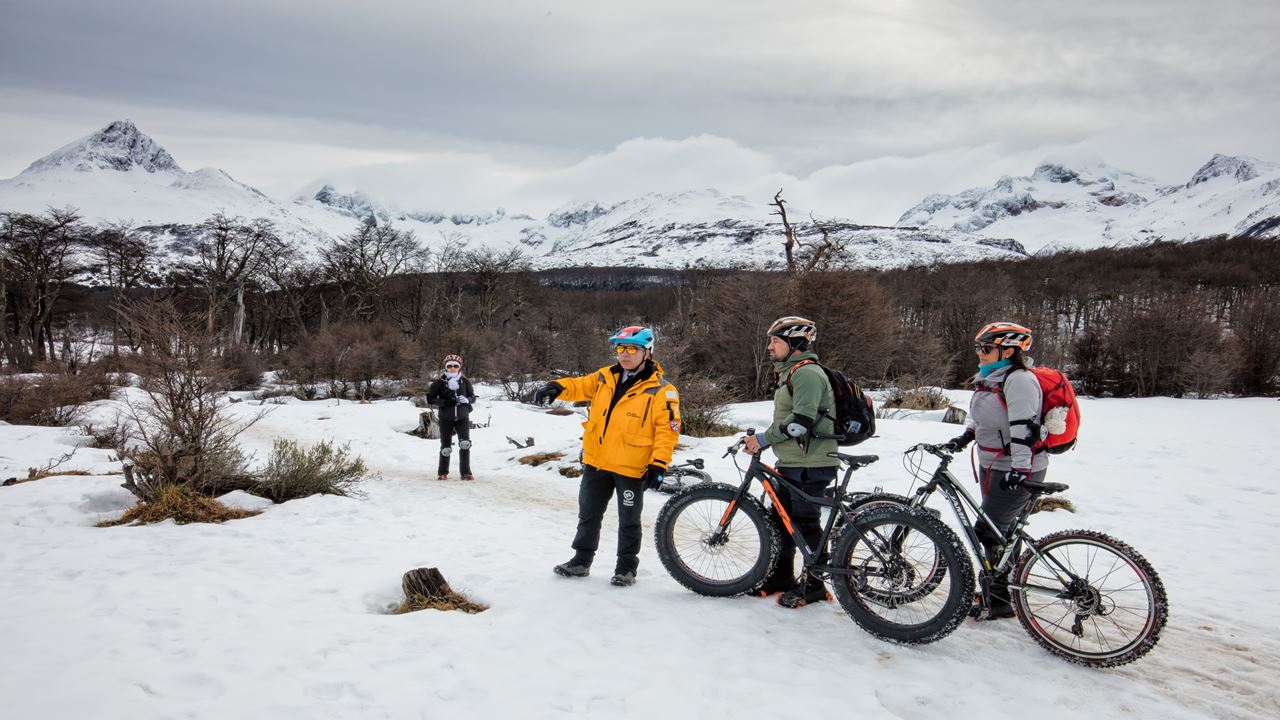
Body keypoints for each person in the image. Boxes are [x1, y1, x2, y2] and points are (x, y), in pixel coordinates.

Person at [532, 326, 681, 587]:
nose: (624, 354)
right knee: (588, 514)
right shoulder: (605, 377)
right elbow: (578, 385)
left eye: (632, 349)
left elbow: (667, 431)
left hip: (632, 466)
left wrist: (659, 463)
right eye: (621, 348)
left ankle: (626, 568)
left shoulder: (662, 390)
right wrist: (555, 387)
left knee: (629, 521)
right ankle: (581, 561)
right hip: (597, 462)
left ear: (648, 351)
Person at [941, 321, 1046, 619]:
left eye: (986, 348)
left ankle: (998, 599)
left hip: (1014, 467)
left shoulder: (1020, 380)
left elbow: (1023, 427)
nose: (980, 353)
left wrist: (1021, 469)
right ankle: (1002, 595)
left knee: (988, 532)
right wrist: (966, 435)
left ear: (1009, 350)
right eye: (978, 348)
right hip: (993, 465)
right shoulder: (990, 378)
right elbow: (985, 414)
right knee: (1002, 533)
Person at [742, 316, 839, 609]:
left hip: (812, 461)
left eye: (775, 341)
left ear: (794, 343)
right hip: (795, 460)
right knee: (781, 521)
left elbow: (800, 423)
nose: (770, 346)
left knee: (805, 523)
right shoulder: (791, 372)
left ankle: (814, 585)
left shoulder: (807, 374)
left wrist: (763, 438)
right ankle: (781, 576)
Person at [426, 354, 477, 481]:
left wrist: (467, 400)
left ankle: (466, 473)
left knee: (465, 444)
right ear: (446, 367)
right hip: (446, 418)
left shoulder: (465, 382)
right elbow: (430, 398)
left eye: (455, 366)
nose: (453, 368)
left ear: (459, 367)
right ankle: (442, 473)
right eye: (450, 366)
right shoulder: (439, 383)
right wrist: (446, 402)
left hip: (462, 417)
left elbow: (473, 397)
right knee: (446, 447)